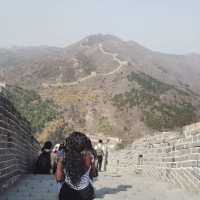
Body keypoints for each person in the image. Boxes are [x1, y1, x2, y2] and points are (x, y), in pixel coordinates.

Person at [56, 132, 95, 200]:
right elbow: (93, 173)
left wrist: (60, 164)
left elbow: (58, 178)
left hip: (67, 194)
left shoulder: (64, 156)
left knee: (62, 185)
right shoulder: (89, 156)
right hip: (86, 194)